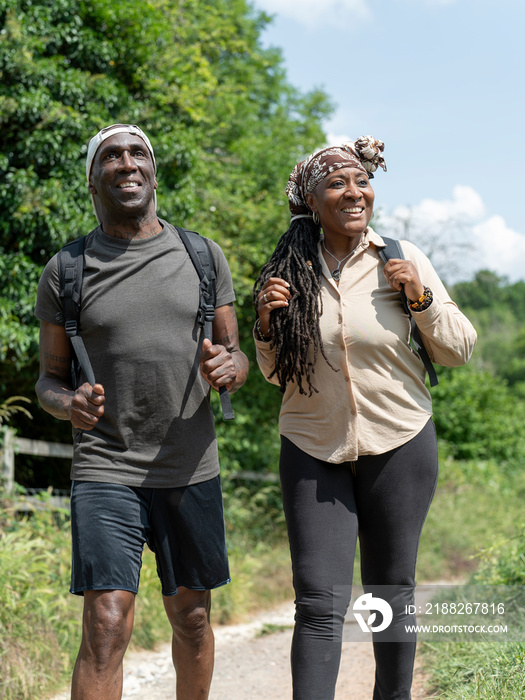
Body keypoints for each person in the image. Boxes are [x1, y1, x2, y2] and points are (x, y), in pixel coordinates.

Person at [253, 136, 477, 700]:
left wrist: (420, 299)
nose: (355, 194)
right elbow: (277, 373)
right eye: (337, 184)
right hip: (312, 445)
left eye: (362, 183)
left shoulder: (401, 256)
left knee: (391, 590)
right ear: (311, 200)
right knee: (317, 600)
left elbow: (459, 349)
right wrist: (263, 325)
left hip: (400, 441)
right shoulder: (287, 270)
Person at [35, 123, 249, 700]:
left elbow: (235, 353)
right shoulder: (67, 270)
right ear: (93, 179)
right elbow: (49, 382)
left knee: (193, 620)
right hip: (106, 465)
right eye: (111, 156)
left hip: (189, 465)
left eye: (137, 153)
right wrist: (70, 405)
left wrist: (231, 368)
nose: (126, 163)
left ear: (152, 172)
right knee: (106, 625)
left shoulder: (202, 256)